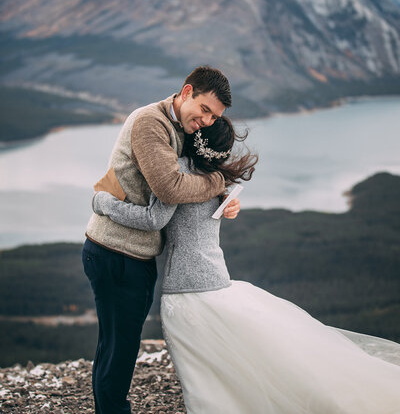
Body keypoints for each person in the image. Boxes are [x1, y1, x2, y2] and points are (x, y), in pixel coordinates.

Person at [92, 116, 400, 414]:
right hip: (217, 281)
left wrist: (103, 202)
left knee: (202, 371)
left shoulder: (181, 174)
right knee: (234, 360)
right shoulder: (217, 178)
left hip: (187, 289)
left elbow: (153, 219)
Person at [82, 66, 241, 414]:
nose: (208, 121)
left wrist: (226, 195)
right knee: (120, 347)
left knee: (115, 343)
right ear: (187, 92)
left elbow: (188, 172)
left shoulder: (181, 126)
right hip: (116, 251)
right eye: (205, 110)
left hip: (134, 254)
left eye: (215, 117)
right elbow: (171, 188)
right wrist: (218, 184)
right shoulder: (150, 123)